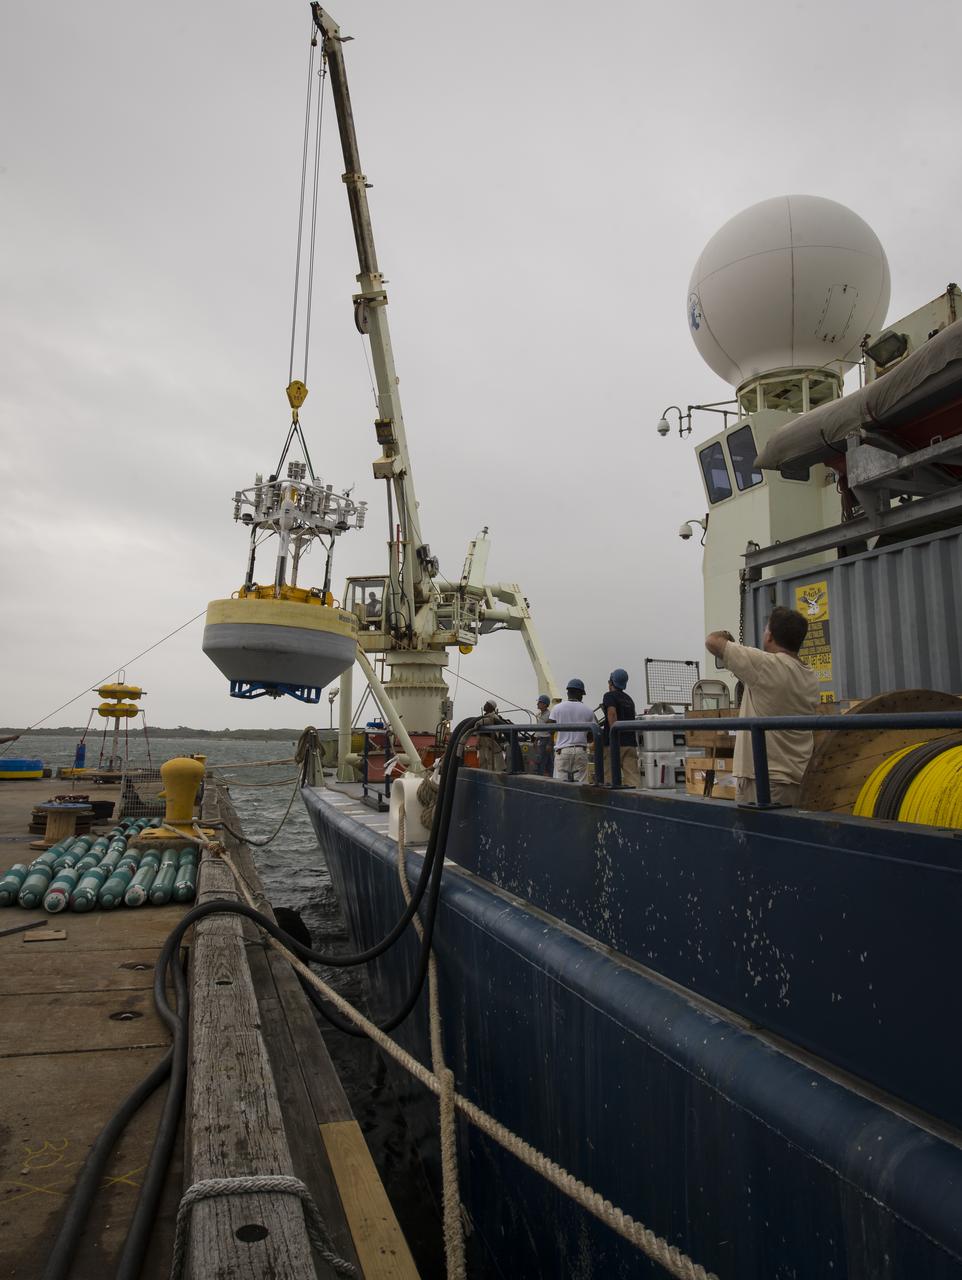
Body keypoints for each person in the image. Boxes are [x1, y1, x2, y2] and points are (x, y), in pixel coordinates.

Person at [705, 606, 819, 806]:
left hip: (765, 781)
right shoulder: (809, 675)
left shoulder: (765, 665)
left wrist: (726, 636)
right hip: (798, 778)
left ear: (770, 637)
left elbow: (712, 642)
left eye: (766, 629)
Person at [550, 679, 595, 783]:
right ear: (581, 694)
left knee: (560, 786)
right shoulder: (588, 711)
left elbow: (549, 728)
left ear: (568, 692)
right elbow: (592, 736)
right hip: (580, 751)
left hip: (562, 751)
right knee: (581, 785)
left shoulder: (557, 708)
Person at [602, 668, 640, 787]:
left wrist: (614, 736)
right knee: (633, 779)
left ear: (612, 682)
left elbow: (612, 713)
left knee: (610, 779)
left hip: (614, 744)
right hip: (630, 743)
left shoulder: (609, 696)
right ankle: (636, 802)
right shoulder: (629, 699)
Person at [475, 700, 507, 771]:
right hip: (483, 744)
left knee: (491, 764)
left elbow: (496, 733)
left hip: (490, 744)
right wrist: (477, 742)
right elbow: (479, 733)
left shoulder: (494, 717)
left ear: (491, 707)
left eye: (487, 704)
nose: (484, 705)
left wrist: (479, 723)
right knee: (482, 764)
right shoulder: (483, 717)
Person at [530, 693, 553, 776]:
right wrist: (536, 740)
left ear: (544, 704)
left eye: (539, 702)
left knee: (540, 761)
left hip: (546, 740)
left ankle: (540, 777)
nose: (537, 704)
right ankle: (549, 776)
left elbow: (551, 730)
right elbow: (539, 730)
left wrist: (549, 744)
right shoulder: (540, 714)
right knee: (548, 762)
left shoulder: (549, 715)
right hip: (541, 740)